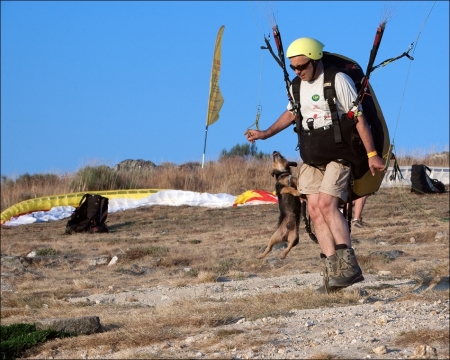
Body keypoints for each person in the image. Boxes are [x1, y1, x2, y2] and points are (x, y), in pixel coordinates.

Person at [244, 37, 385, 293]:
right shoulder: (297, 86)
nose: (298, 72)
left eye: (302, 66)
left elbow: (360, 120)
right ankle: (333, 271)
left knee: (327, 204)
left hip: (340, 154)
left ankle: (349, 266)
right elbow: (291, 113)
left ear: (315, 59)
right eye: (294, 68)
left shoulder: (337, 80)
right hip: (312, 156)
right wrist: (265, 133)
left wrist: (372, 154)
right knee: (313, 211)